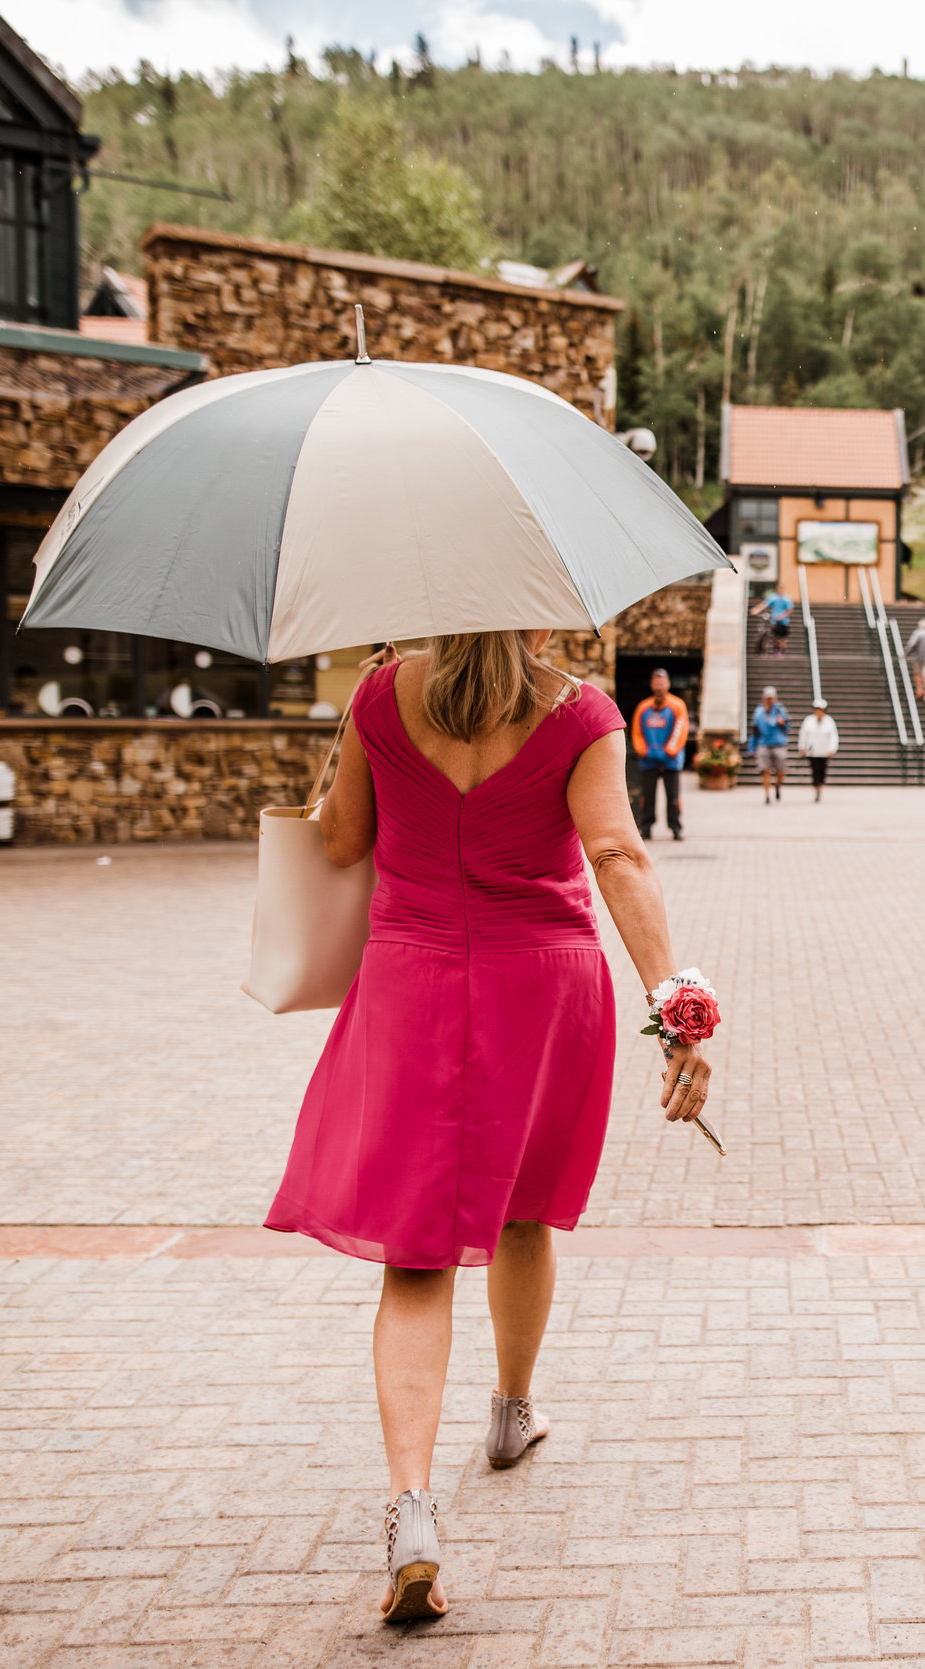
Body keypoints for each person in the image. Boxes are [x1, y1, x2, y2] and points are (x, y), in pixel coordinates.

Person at [266, 631, 715, 1624]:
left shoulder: (382, 693)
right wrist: (678, 1016)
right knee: (523, 1211)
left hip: (413, 977)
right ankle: (511, 1412)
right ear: (543, 610)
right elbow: (615, 853)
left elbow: (341, 843)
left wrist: (358, 738)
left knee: (417, 1255)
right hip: (543, 987)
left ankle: (414, 1511)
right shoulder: (582, 712)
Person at [630, 667, 688, 843]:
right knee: (648, 796)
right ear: (652, 685)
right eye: (656, 683)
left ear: (668, 684)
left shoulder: (677, 706)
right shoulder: (643, 707)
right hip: (648, 760)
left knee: (673, 796)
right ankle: (646, 828)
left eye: (662, 683)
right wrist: (644, 751)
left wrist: (669, 751)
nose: (659, 686)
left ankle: (675, 827)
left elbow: (681, 730)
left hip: (671, 760)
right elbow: (637, 732)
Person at [749, 685, 789, 803]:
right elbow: (754, 731)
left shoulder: (781, 710)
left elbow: (788, 727)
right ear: (763, 698)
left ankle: (777, 785)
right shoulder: (758, 712)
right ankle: (767, 795)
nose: (769, 700)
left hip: (779, 744)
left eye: (771, 698)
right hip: (763, 744)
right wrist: (752, 748)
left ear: (775, 698)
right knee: (765, 771)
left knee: (781, 771)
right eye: (767, 698)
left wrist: (782, 723)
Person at [796, 697, 839, 801]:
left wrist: (832, 749)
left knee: (822, 771)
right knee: (815, 771)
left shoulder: (829, 721)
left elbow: (833, 736)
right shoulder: (808, 720)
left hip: (824, 751)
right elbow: (803, 735)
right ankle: (816, 789)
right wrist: (801, 747)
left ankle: (820, 787)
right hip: (812, 751)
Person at [752, 587, 793, 657]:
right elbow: (765, 604)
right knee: (775, 637)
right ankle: (776, 650)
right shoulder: (774, 597)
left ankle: (781, 651)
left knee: (782, 638)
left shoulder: (787, 598)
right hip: (775, 621)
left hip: (784, 622)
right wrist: (756, 609)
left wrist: (782, 616)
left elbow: (790, 610)